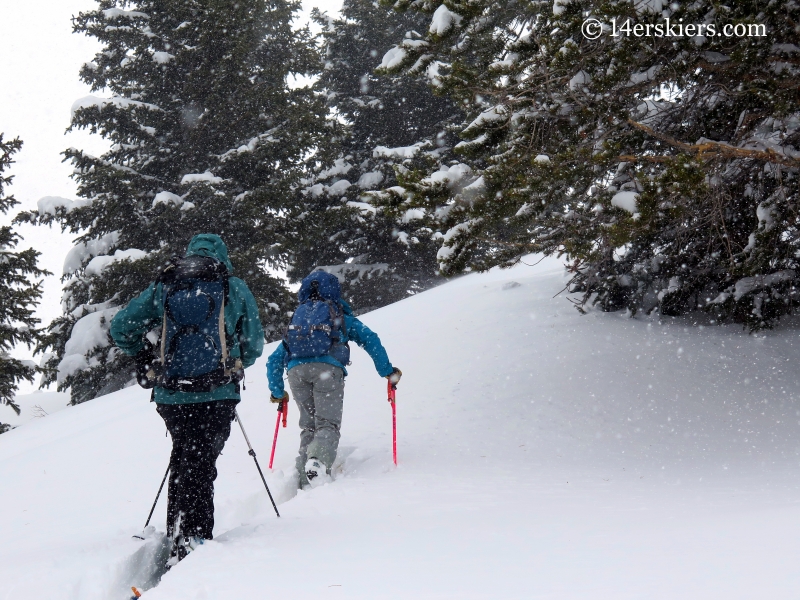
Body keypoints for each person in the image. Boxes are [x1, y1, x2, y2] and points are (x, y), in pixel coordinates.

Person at [110, 234, 263, 566]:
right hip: (217, 393)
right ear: (222, 255)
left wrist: (143, 359)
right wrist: (234, 366)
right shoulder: (231, 286)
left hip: (172, 394)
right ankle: (191, 540)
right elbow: (253, 344)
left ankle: (177, 533)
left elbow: (122, 326)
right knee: (200, 463)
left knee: (185, 457)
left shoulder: (166, 285)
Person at [267, 270, 401, 489]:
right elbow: (370, 339)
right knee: (327, 424)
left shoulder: (298, 320)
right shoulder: (338, 316)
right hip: (327, 370)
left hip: (295, 372)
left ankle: (304, 480)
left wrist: (277, 392)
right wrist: (387, 371)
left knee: (308, 426)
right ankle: (317, 464)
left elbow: (274, 360)